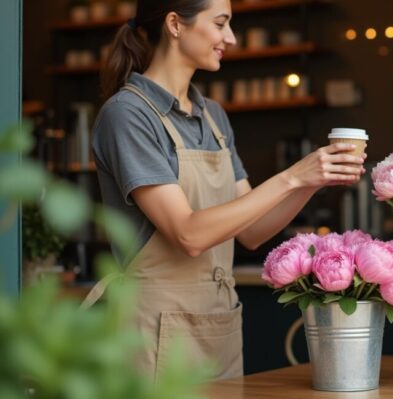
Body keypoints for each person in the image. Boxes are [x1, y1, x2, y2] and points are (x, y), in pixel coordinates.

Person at [84, 0, 365, 380]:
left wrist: (312, 181)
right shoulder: (128, 115)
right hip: (152, 331)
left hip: (219, 325)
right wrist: (292, 177)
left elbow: (251, 230)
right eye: (220, 24)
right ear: (175, 24)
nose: (230, 38)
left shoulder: (212, 116)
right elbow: (188, 234)